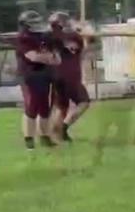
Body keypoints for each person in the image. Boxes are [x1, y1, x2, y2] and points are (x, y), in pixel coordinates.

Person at [15, 10, 60, 149]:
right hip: (29, 75)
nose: (37, 24)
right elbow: (33, 57)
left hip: (45, 74)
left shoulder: (44, 37)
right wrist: (48, 57)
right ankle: (29, 140)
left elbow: (57, 58)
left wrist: (48, 57)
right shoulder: (24, 37)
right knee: (32, 106)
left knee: (45, 107)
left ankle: (45, 137)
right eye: (33, 22)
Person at [47, 12, 90, 143]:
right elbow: (85, 47)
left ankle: (56, 135)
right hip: (71, 76)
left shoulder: (51, 37)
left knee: (61, 107)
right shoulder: (74, 36)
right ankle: (63, 128)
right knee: (84, 102)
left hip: (56, 74)